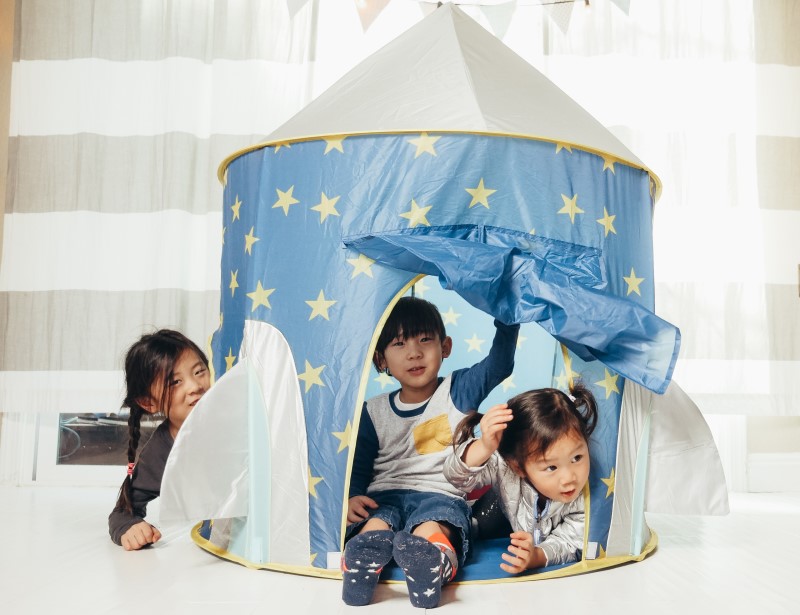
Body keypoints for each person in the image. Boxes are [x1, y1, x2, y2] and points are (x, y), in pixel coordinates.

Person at [343, 296, 519, 608]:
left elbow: (499, 363)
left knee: (433, 524)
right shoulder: (373, 410)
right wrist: (353, 495)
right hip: (384, 494)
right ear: (381, 360)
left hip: (440, 493)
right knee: (376, 522)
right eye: (399, 344)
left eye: (425, 340)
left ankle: (431, 561)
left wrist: (507, 315)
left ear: (445, 347)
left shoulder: (458, 389)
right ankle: (360, 563)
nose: (414, 353)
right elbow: (358, 465)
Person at [444, 383, 598, 574]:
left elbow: (571, 541)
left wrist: (537, 556)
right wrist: (484, 446)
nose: (569, 478)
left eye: (577, 458)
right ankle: (435, 543)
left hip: (531, 533)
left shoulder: (587, 497)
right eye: (551, 467)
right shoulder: (505, 465)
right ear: (518, 467)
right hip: (497, 510)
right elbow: (454, 476)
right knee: (459, 521)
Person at [108, 329, 210, 551]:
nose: (195, 386)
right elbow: (123, 511)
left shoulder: (239, 413)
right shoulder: (162, 451)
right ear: (148, 402)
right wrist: (130, 527)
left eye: (200, 371)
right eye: (175, 382)